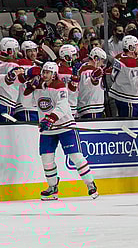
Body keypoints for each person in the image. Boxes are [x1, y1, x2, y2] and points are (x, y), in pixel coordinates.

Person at [24, 61, 99, 200]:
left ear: (54, 74)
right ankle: (53, 188)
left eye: (47, 72)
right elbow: (27, 103)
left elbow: (63, 106)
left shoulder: (59, 86)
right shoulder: (38, 87)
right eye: (43, 72)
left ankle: (90, 184)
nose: (44, 75)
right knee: (46, 159)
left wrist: (51, 118)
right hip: (48, 129)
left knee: (75, 156)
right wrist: (28, 88)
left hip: (65, 126)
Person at [110, 35, 138, 117]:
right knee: (129, 125)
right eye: (136, 45)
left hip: (119, 94)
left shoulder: (118, 57)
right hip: (129, 97)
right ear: (131, 48)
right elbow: (136, 85)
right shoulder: (132, 63)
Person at [77, 47, 107, 118]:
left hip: (88, 107)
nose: (102, 63)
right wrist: (94, 78)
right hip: (91, 107)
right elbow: (89, 84)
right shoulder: (89, 71)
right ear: (96, 59)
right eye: (102, 60)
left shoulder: (84, 67)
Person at [14, 40, 39, 122]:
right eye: (29, 51)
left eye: (34, 50)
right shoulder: (21, 65)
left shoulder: (35, 65)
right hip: (25, 105)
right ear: (23, 53)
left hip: (33, 106)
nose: (33, 53)